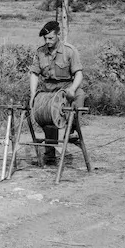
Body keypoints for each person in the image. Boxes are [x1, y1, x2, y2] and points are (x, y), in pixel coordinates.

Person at [29, 20, 85, 165]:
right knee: (47, 117)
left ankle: (72, 129)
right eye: (45, 39)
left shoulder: (69, 50)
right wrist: (33, 94)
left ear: (58, 35)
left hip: (66, 88)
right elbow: (34, 73)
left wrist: (72, 89)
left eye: (50, 38)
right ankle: (50, 153)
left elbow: (78, 74)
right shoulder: (40, 52)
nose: (47, 41)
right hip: (48, 90)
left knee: (80, 95)